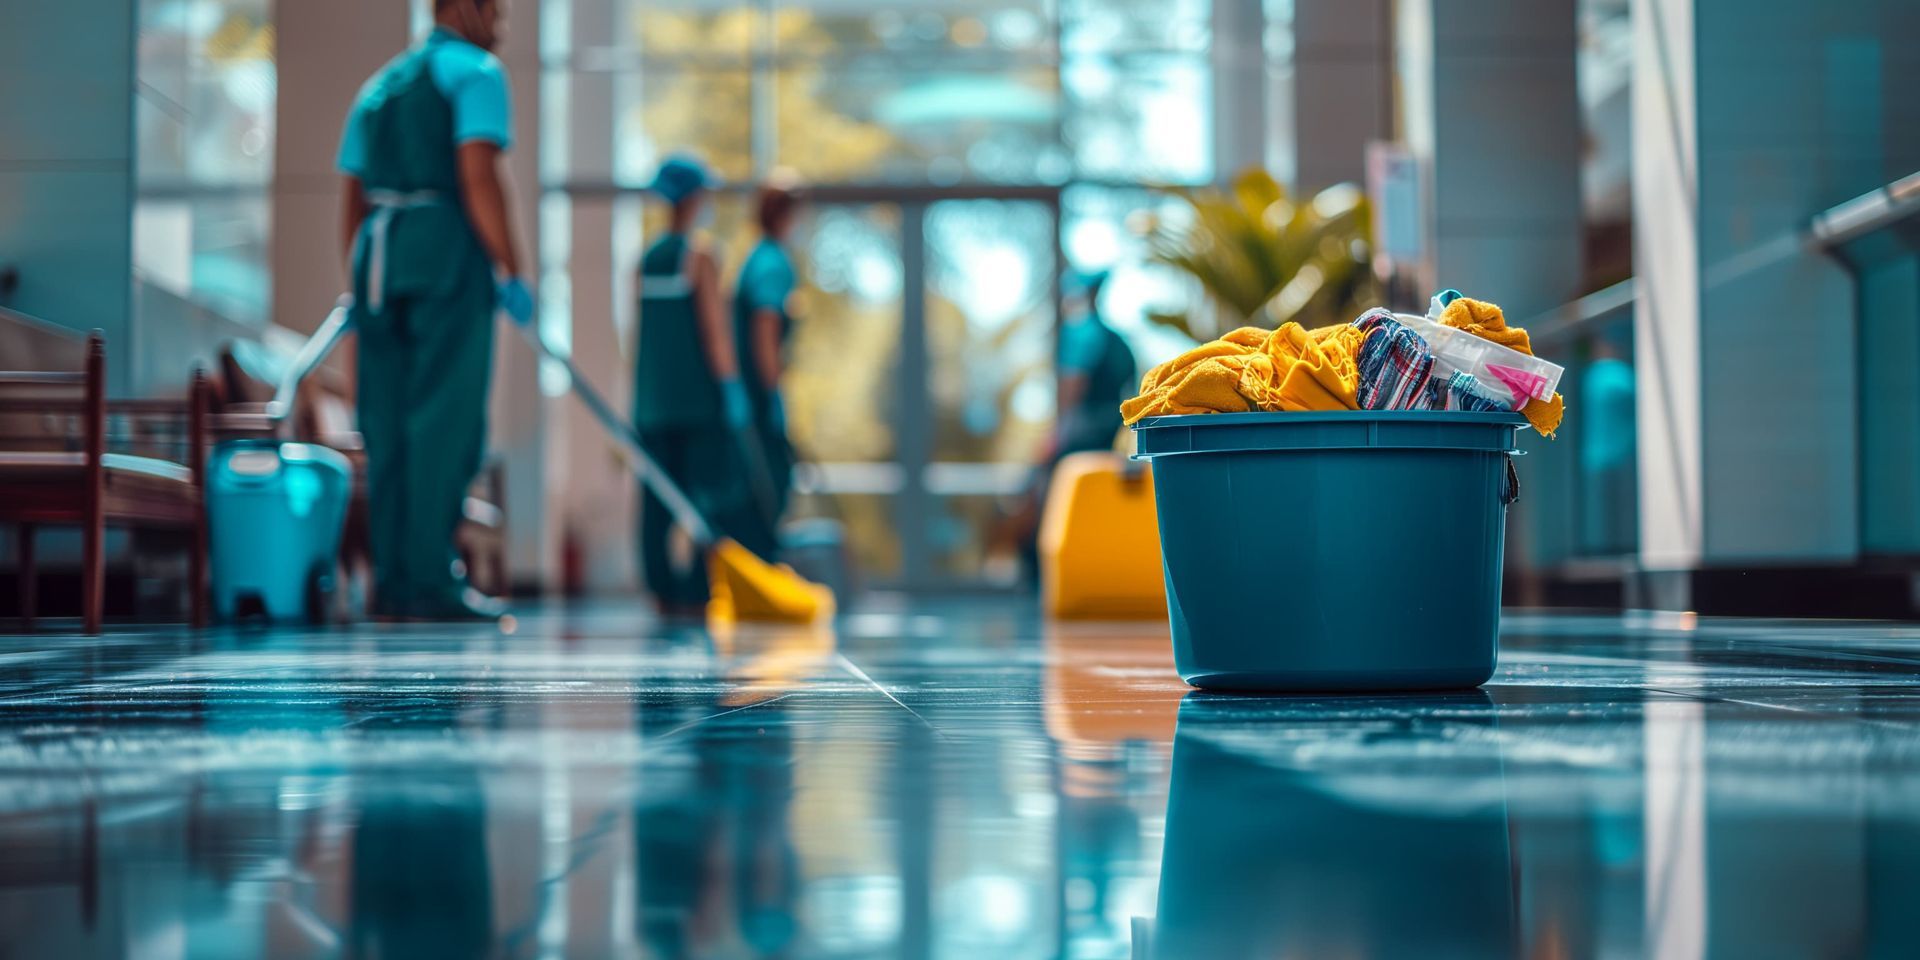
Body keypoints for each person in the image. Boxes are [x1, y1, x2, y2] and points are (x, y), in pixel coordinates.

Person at [337, 0, 534, 621]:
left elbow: (353, 196)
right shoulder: (475, 73)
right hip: (446, 258)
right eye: (494, 9)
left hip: (379, 262)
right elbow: (478, 177)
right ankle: (429, 580)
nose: (500, 24)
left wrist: (361, 274)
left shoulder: (378, 87)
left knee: (387, 423)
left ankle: (392, 583)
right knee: (444, 424)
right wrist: (511, 267)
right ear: (462, 6)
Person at [631, 155, 750, 618]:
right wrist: (730, 387)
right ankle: (699, 592)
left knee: (656, 506)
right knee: (706, 500)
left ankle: (661, 592)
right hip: (698, 406)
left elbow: (637, 338)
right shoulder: (699, 255)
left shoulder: (644, 259)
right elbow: (714, 332)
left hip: (652, 407)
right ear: (694, 198)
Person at [730, 179, 804, 558]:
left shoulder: (755, 257)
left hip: (750, 394)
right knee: (770, 486)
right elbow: (765, 332)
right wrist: (773, 393)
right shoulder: (773, 264)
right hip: (759, 397)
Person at [1053, 268, 1137, 460]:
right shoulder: (1119, 342)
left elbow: (1073, 383)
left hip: (1085, 434)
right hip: (1113, 434)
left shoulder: (1081, 333)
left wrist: (1058, 434)